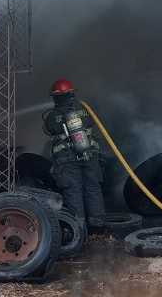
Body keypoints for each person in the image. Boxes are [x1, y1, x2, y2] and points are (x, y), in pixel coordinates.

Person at [42, 79, 105, 225]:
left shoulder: (52, 116)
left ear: (55, 97)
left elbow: (48, 130)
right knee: (93, 188)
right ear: (72, 94)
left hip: (66, 159)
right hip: (89, 154)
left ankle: (78, 228)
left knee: (73, 191)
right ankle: (99, 228)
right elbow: (92, 122)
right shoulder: (85, 110)